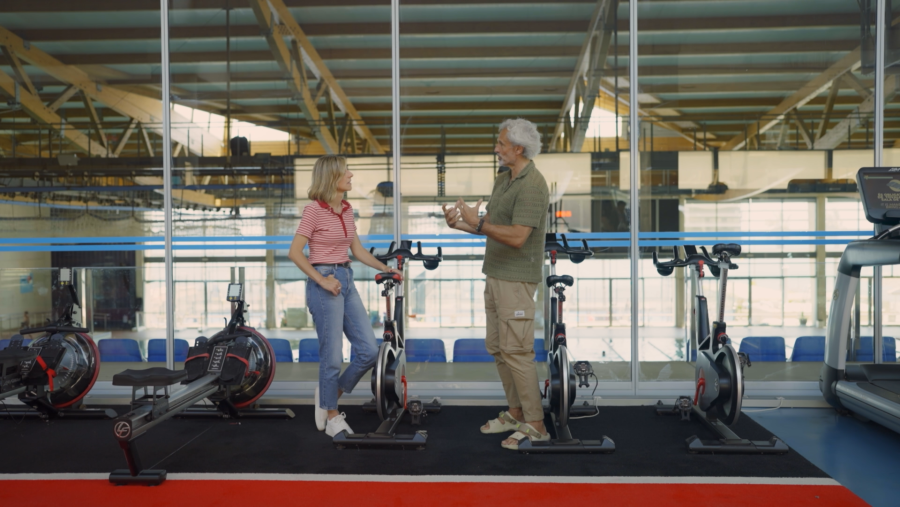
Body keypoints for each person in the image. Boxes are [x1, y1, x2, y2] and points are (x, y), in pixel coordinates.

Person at [442, 118, 550, 450]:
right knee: (500, 349)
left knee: (517, 352)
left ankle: (536, 424)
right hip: (496, 273)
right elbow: (491, 227)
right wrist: (461, 224)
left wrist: (478, 225)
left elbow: (517, 237)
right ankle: (516, 413)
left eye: (501, 144)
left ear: (519, 148)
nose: (497, 148)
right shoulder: (503, 179)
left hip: (517, 277)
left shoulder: (533, 185)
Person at [288, 155, 401, 437]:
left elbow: (358, 251)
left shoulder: (348, 209)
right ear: (332, 177)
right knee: (333, 357)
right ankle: (333, 416)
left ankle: (329, 395)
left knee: (368, 351)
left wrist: (387, 268)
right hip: (324, 281)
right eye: (346, 171)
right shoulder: (314, 210)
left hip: (346, 280)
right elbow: (295, 252)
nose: (351, 175)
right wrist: (321, 280)